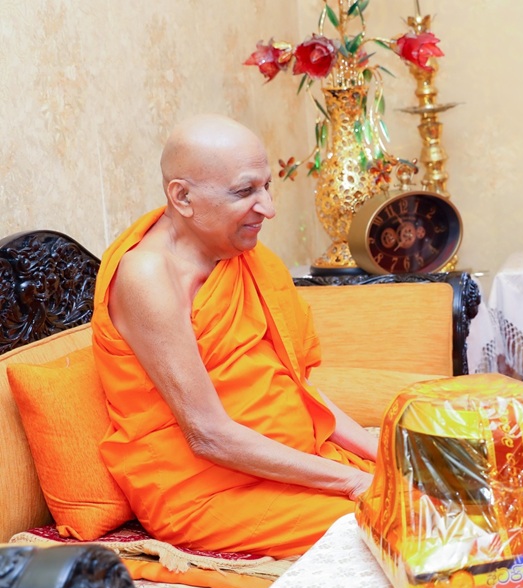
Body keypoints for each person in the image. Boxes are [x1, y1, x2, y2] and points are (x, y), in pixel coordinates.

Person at [90, 114, 377, 559]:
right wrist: (354, 481)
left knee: (440, 488)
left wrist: (382, 453)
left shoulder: (236, 255)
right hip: (207, 488)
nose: (268, 208)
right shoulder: (149, 277)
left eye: (266, 186)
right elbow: (208, 435)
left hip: (286, 458)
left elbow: (296, 389)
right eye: (245, 192)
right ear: (182, 197)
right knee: (404, 521)